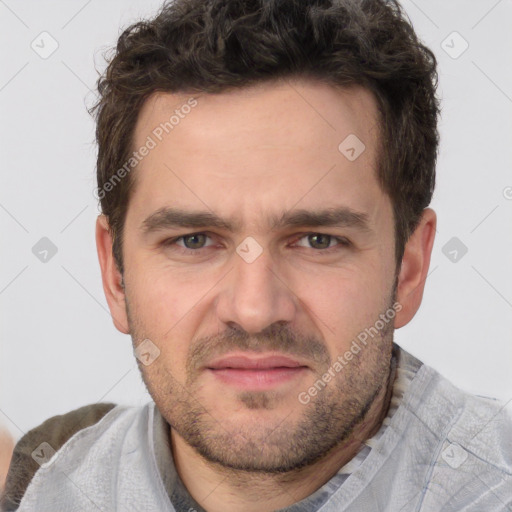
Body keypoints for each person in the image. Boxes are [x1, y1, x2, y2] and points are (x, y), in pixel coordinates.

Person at [3, 0, 511, 510]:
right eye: (194, 240)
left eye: (318, 240)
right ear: (115, 274)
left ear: (408, 270)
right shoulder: (48, 478)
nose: (254, 310)